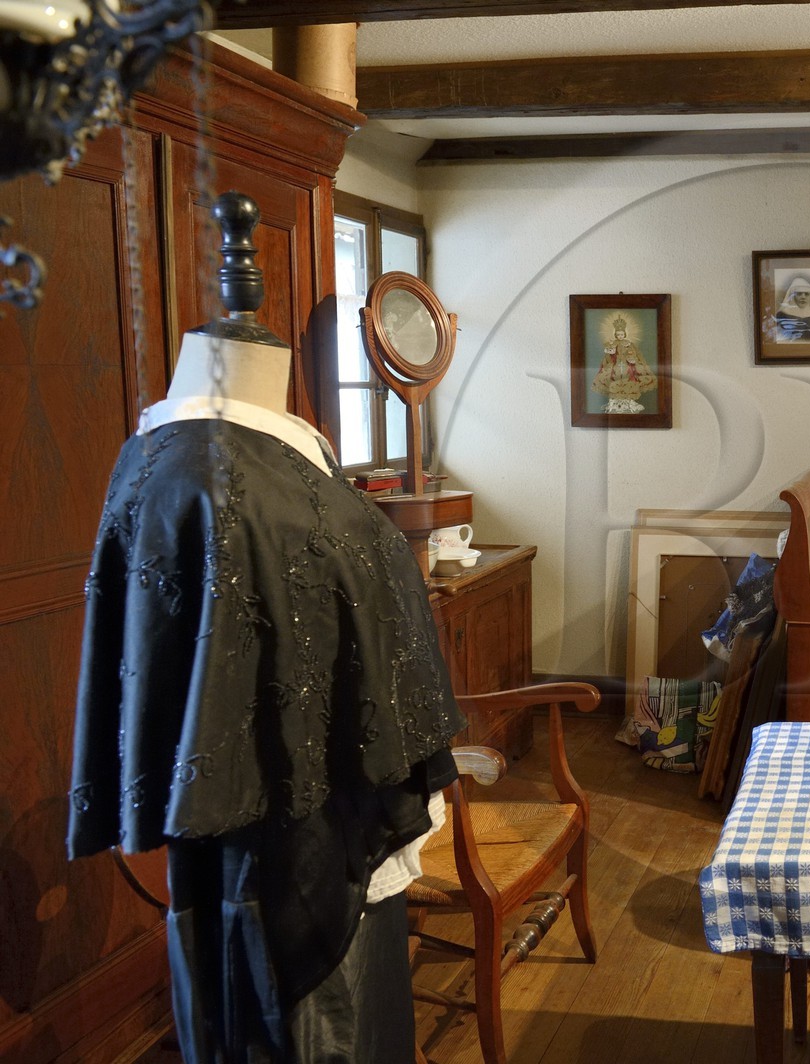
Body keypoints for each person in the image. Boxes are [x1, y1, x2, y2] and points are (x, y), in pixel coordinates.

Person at [69, 324, 462, 1062]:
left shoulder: (169, 457)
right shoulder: (221, 474)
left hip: (278, 797)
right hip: (294, 827)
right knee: (300, 1013)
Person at [591, 315, 658, 414]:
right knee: (611, 376)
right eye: (618, 335)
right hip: (615, 365)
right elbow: (609, 357)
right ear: (615, 335)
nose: (620, 336)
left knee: (630, 376)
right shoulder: (612, 344)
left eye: (622, 334)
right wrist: (610, 353)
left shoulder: (629, 344)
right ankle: (614, 402)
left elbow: (635, 354)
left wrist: (631, 358)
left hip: (627, 364)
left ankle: (629, 402)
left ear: (625, 334)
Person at [772, 276, 810, 340]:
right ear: (793, 295)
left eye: (806, 294)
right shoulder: (782, 315)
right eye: (799, 293)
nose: (803, 297)